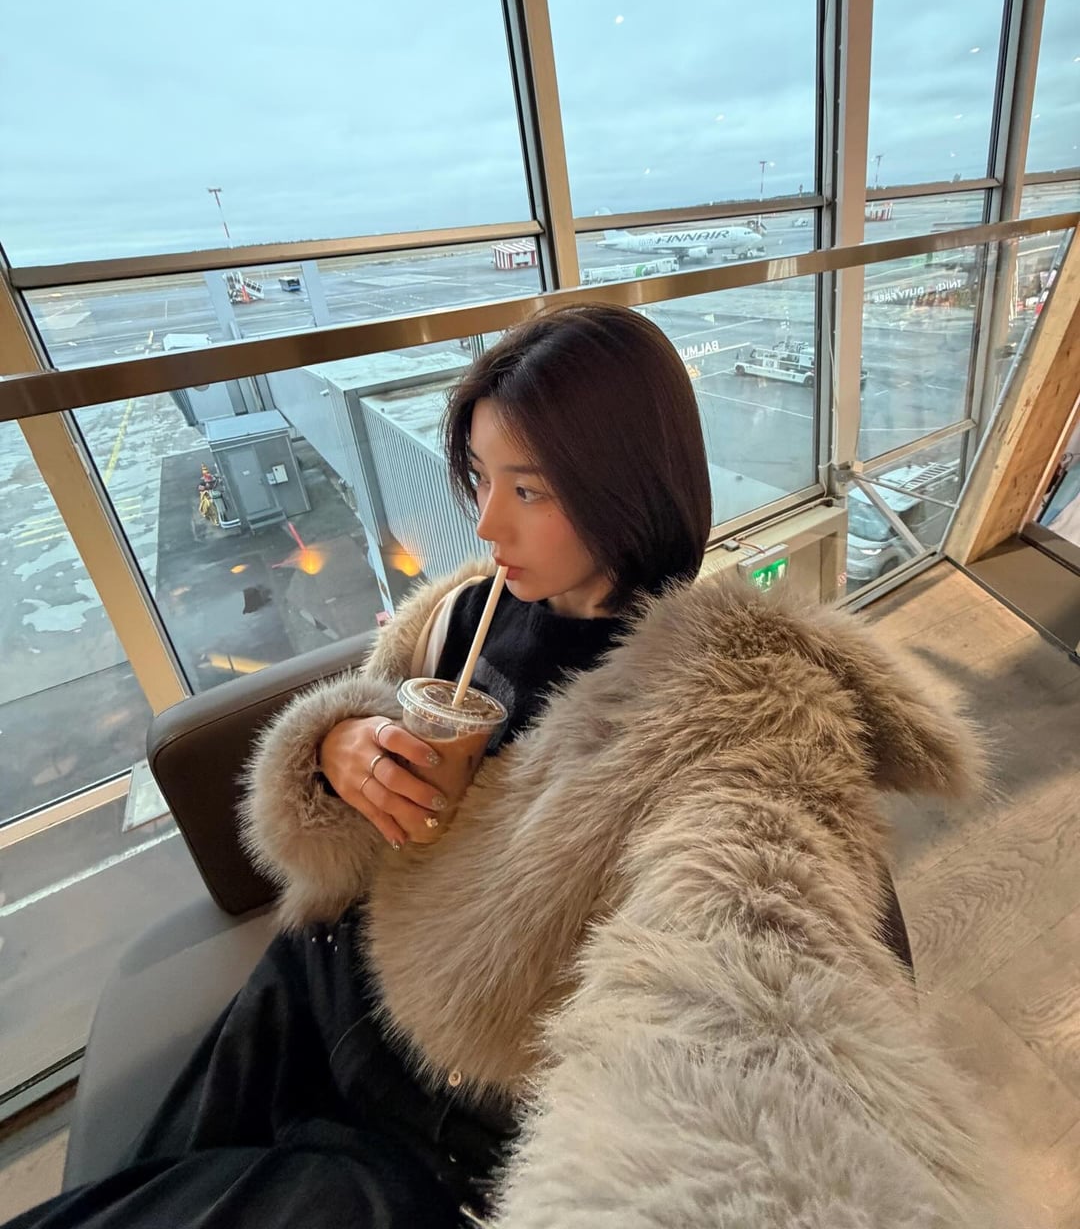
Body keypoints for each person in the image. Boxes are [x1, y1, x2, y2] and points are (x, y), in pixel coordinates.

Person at [7, 305, 1013, 1229]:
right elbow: (350, 760)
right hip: (319, 972)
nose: (488, 524)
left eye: (528, 490)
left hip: (440, 1113)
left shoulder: (730, 706)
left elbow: (764, 945)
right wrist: (338, 749)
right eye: (482, 480)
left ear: (626, 485)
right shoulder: (460, 612)